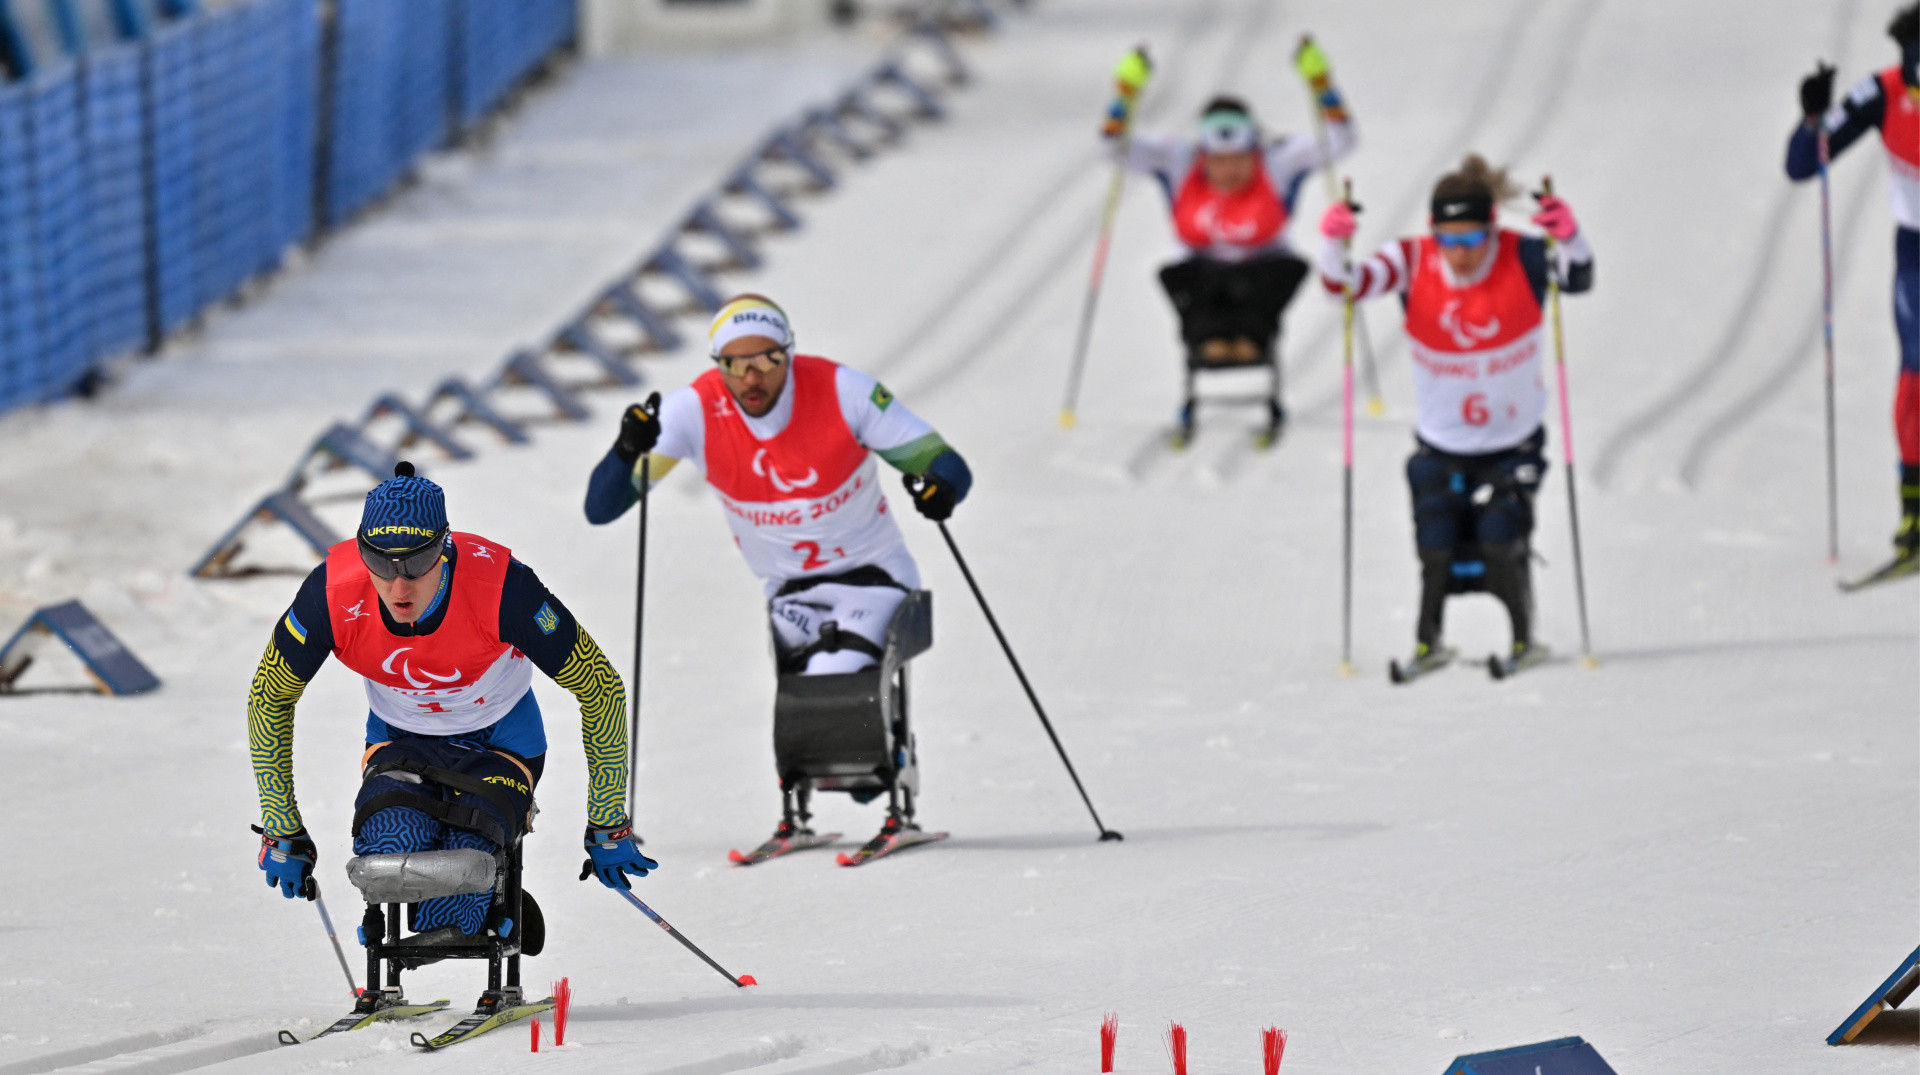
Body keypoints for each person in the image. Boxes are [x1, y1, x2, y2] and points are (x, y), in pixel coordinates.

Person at [583, 294, 972, 844]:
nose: (753, 376)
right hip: (790, 589)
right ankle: (813, 801)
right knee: (808, 717)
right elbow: (601, 509)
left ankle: (888, 785)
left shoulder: (843, 390)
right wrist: (627, 450)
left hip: (876, 573)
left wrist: (940, 488)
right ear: (718, 367)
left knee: (844, 683)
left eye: (768, 359)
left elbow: (946, 462)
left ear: (790, 354)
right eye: (736, 364)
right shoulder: (694, 410)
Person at [248, 465, 655, 941]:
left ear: (443, 549)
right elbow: (268, 696)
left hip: (500, 740)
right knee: (388, 852)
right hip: (401, 739)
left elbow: (600, 686)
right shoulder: (331, 594)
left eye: (416, 565)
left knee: (467, 860)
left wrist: (607, 820)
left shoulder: (503, 588)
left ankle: (485, 903)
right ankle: (451, 916)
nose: (399, 587)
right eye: (380, 565)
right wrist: (283, 826)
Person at [1317, 155, 1594, 677]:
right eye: (1449, 240)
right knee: (1436, 545)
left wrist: (1570, 234)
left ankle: (1522, 636)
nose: (1460, 254)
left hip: (1513, 444)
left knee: (1499, 537)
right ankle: (1428, 642)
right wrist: (1333, 243)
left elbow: (1578, 277)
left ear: (1492, 229)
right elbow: (1343, 288)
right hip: (1441, 444)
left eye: (1472, 241)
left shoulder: (1524, 256)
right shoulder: (1412, 260)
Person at [1103, 39, 1357, 439]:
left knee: (1284, 273)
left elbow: (1340, 142)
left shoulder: (1277, 159)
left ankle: (1250, 339)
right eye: (1218, 161)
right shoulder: (1178, 157)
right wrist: (1125, 91)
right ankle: (1210, 341)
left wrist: (1321, 82)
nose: (1229, 170)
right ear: (1203, 152)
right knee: (1177, 277)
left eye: (1238, 159)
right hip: (1200, 265)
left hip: (1265, 261)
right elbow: (1112, 147)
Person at [1786, 3, 1920, 578]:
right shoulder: (1880, 92)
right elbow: (1802, 163)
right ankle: (1915, 515)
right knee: (1918, 372)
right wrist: (1812, 118)